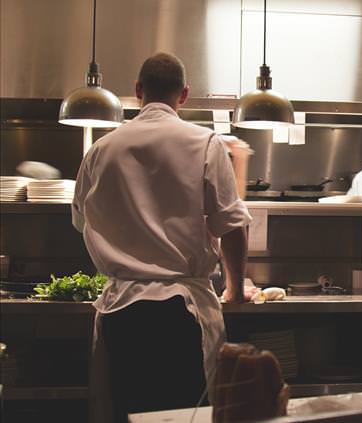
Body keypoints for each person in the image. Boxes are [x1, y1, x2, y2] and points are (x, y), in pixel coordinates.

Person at [72, 52, 252, 422]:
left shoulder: (100, 149)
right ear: (183, 94)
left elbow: (80, 221)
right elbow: (232, 225)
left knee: (128, 413)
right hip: (179, 311)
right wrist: (234, 290)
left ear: (138, 91)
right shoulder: (204, 142)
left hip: (120, 311)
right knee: (185, 417)